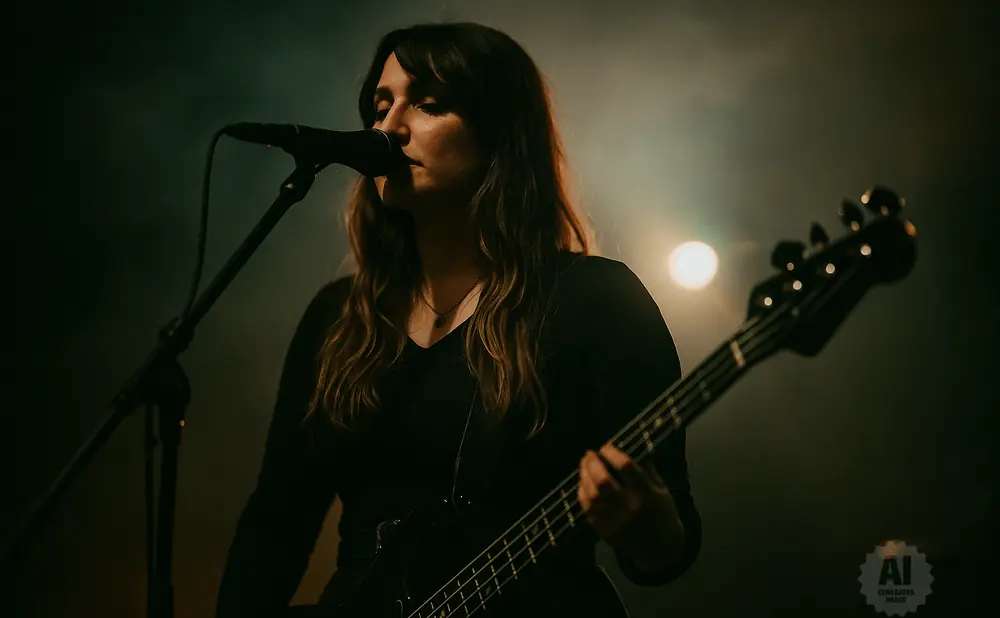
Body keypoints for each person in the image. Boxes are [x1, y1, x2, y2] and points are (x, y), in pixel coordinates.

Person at [215, 21, 701, 618]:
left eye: (428, 104)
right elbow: (276, 524)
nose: (388, 129)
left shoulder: (594, 301)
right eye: (380, 105)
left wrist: (644, 523)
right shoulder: (338, 319)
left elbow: (669, 550)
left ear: (498, 134)